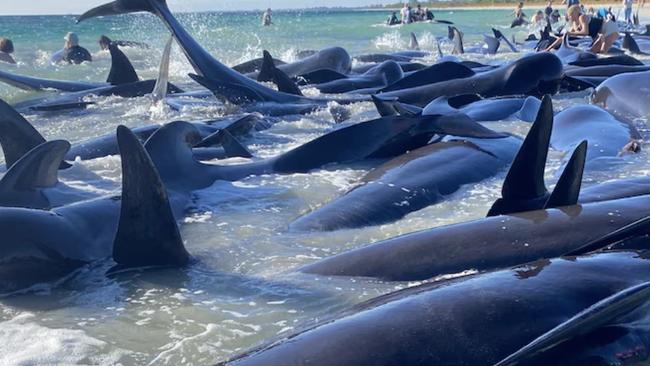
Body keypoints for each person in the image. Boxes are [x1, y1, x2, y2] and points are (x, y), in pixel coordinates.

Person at [545, 4, 619, 53]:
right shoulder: (574, 24)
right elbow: (563, 38)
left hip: (610, 27)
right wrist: (548, 49)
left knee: (603, 52)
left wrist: (570, 33)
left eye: (570, 15)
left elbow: (585, 32)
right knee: (593, 52)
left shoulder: (582, 17)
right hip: (601, 33)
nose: (569, 17)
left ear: (574, 13)